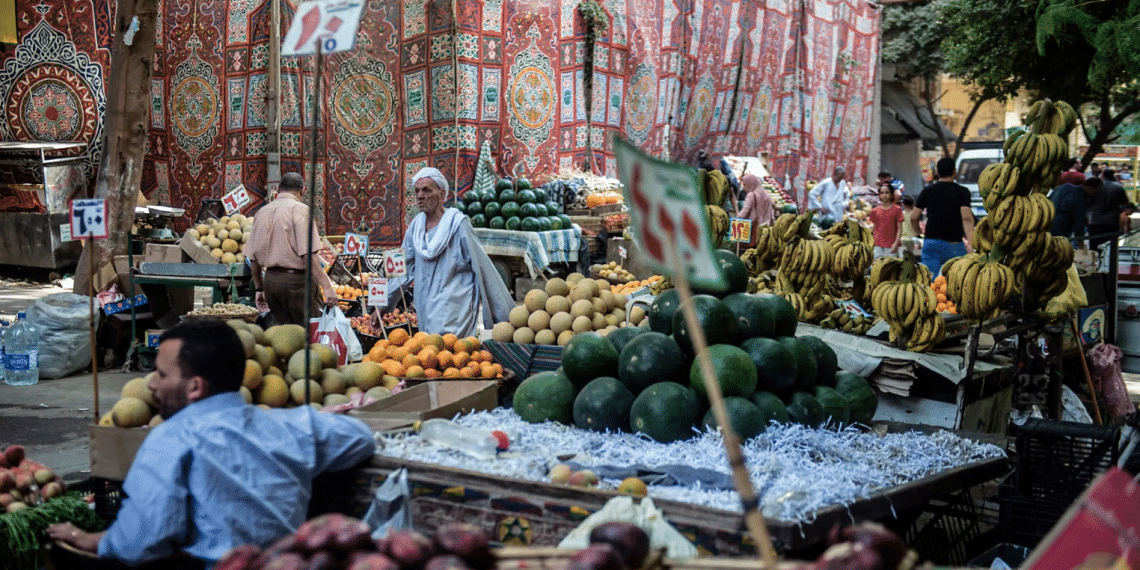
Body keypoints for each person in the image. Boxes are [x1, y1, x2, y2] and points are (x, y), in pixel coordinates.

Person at [46, 321, 377, 568]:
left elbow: (141, 542)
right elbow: (360, 439)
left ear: (194, 387)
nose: (151, 383)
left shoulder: (171, 439)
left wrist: (87, 539)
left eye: (161, 374)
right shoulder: (293, 425)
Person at [381, 167, 513, 337]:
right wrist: (382, 306)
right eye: (417, 191)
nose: (420, 196)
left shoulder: (459, 224)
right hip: (425, 307)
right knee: (430, 354)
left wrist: (504, 315)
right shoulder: (416, 226)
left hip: (455, 310)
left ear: (441, 195)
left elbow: (483, 267)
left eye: (426, 190)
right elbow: (402, 267)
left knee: (455, 357)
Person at [243, 172, 338, 326]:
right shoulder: (301, 210)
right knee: (309, 333)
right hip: (297, 284)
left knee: (283, 334)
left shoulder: (261, 212)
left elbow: (253, 259)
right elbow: (309, 256)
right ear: (303, 190)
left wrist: (259, 289)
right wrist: (327, 287)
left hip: (271, 283)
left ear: (279, 189)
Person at [911, 157, 974, 275]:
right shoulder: (963, 192)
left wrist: (918, 234)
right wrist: (970, 243)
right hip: (954, 244)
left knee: (931, 282)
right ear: (955, 172)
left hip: (931, 243)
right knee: (956, 282)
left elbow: (914, 217)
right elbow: (967, 218)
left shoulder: (928, 190)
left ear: (937, 172)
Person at [1088, 168, 1135, 250]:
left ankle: (1095, 262)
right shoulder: (1118, 187)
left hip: (1095, 221)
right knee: (1110, 248)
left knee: (1095, 248)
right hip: (1112, 222)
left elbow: (1088, 202)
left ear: (1102, 175)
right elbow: (1125, 203)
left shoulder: (1095, 187)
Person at [1049, 172, 1095, 243]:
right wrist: (1080, 241)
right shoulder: (1080, 196)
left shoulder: (1060, 188)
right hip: (1062, 229)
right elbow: (1079, 221)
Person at [868, 184, 904, 258]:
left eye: (887, 192)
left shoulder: (897, 209)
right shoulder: (874, 211)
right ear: (879, 195)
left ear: (891, 195)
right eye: (882, 193)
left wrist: (896, 243)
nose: (884, 195)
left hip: (891, 247)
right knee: (876, 268)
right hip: (877, 246)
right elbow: (873, 228)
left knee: (891, 268)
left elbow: (900, 228)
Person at [737, 174, 776, 239]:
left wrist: (735, 220)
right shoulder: (768, 196)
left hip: (751, 232)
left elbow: (743, 213)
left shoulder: (751, 195)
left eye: (745, 185)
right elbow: (771, 216)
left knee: (745, 248)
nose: (743, 188)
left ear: (751, 184)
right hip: (765, 233)